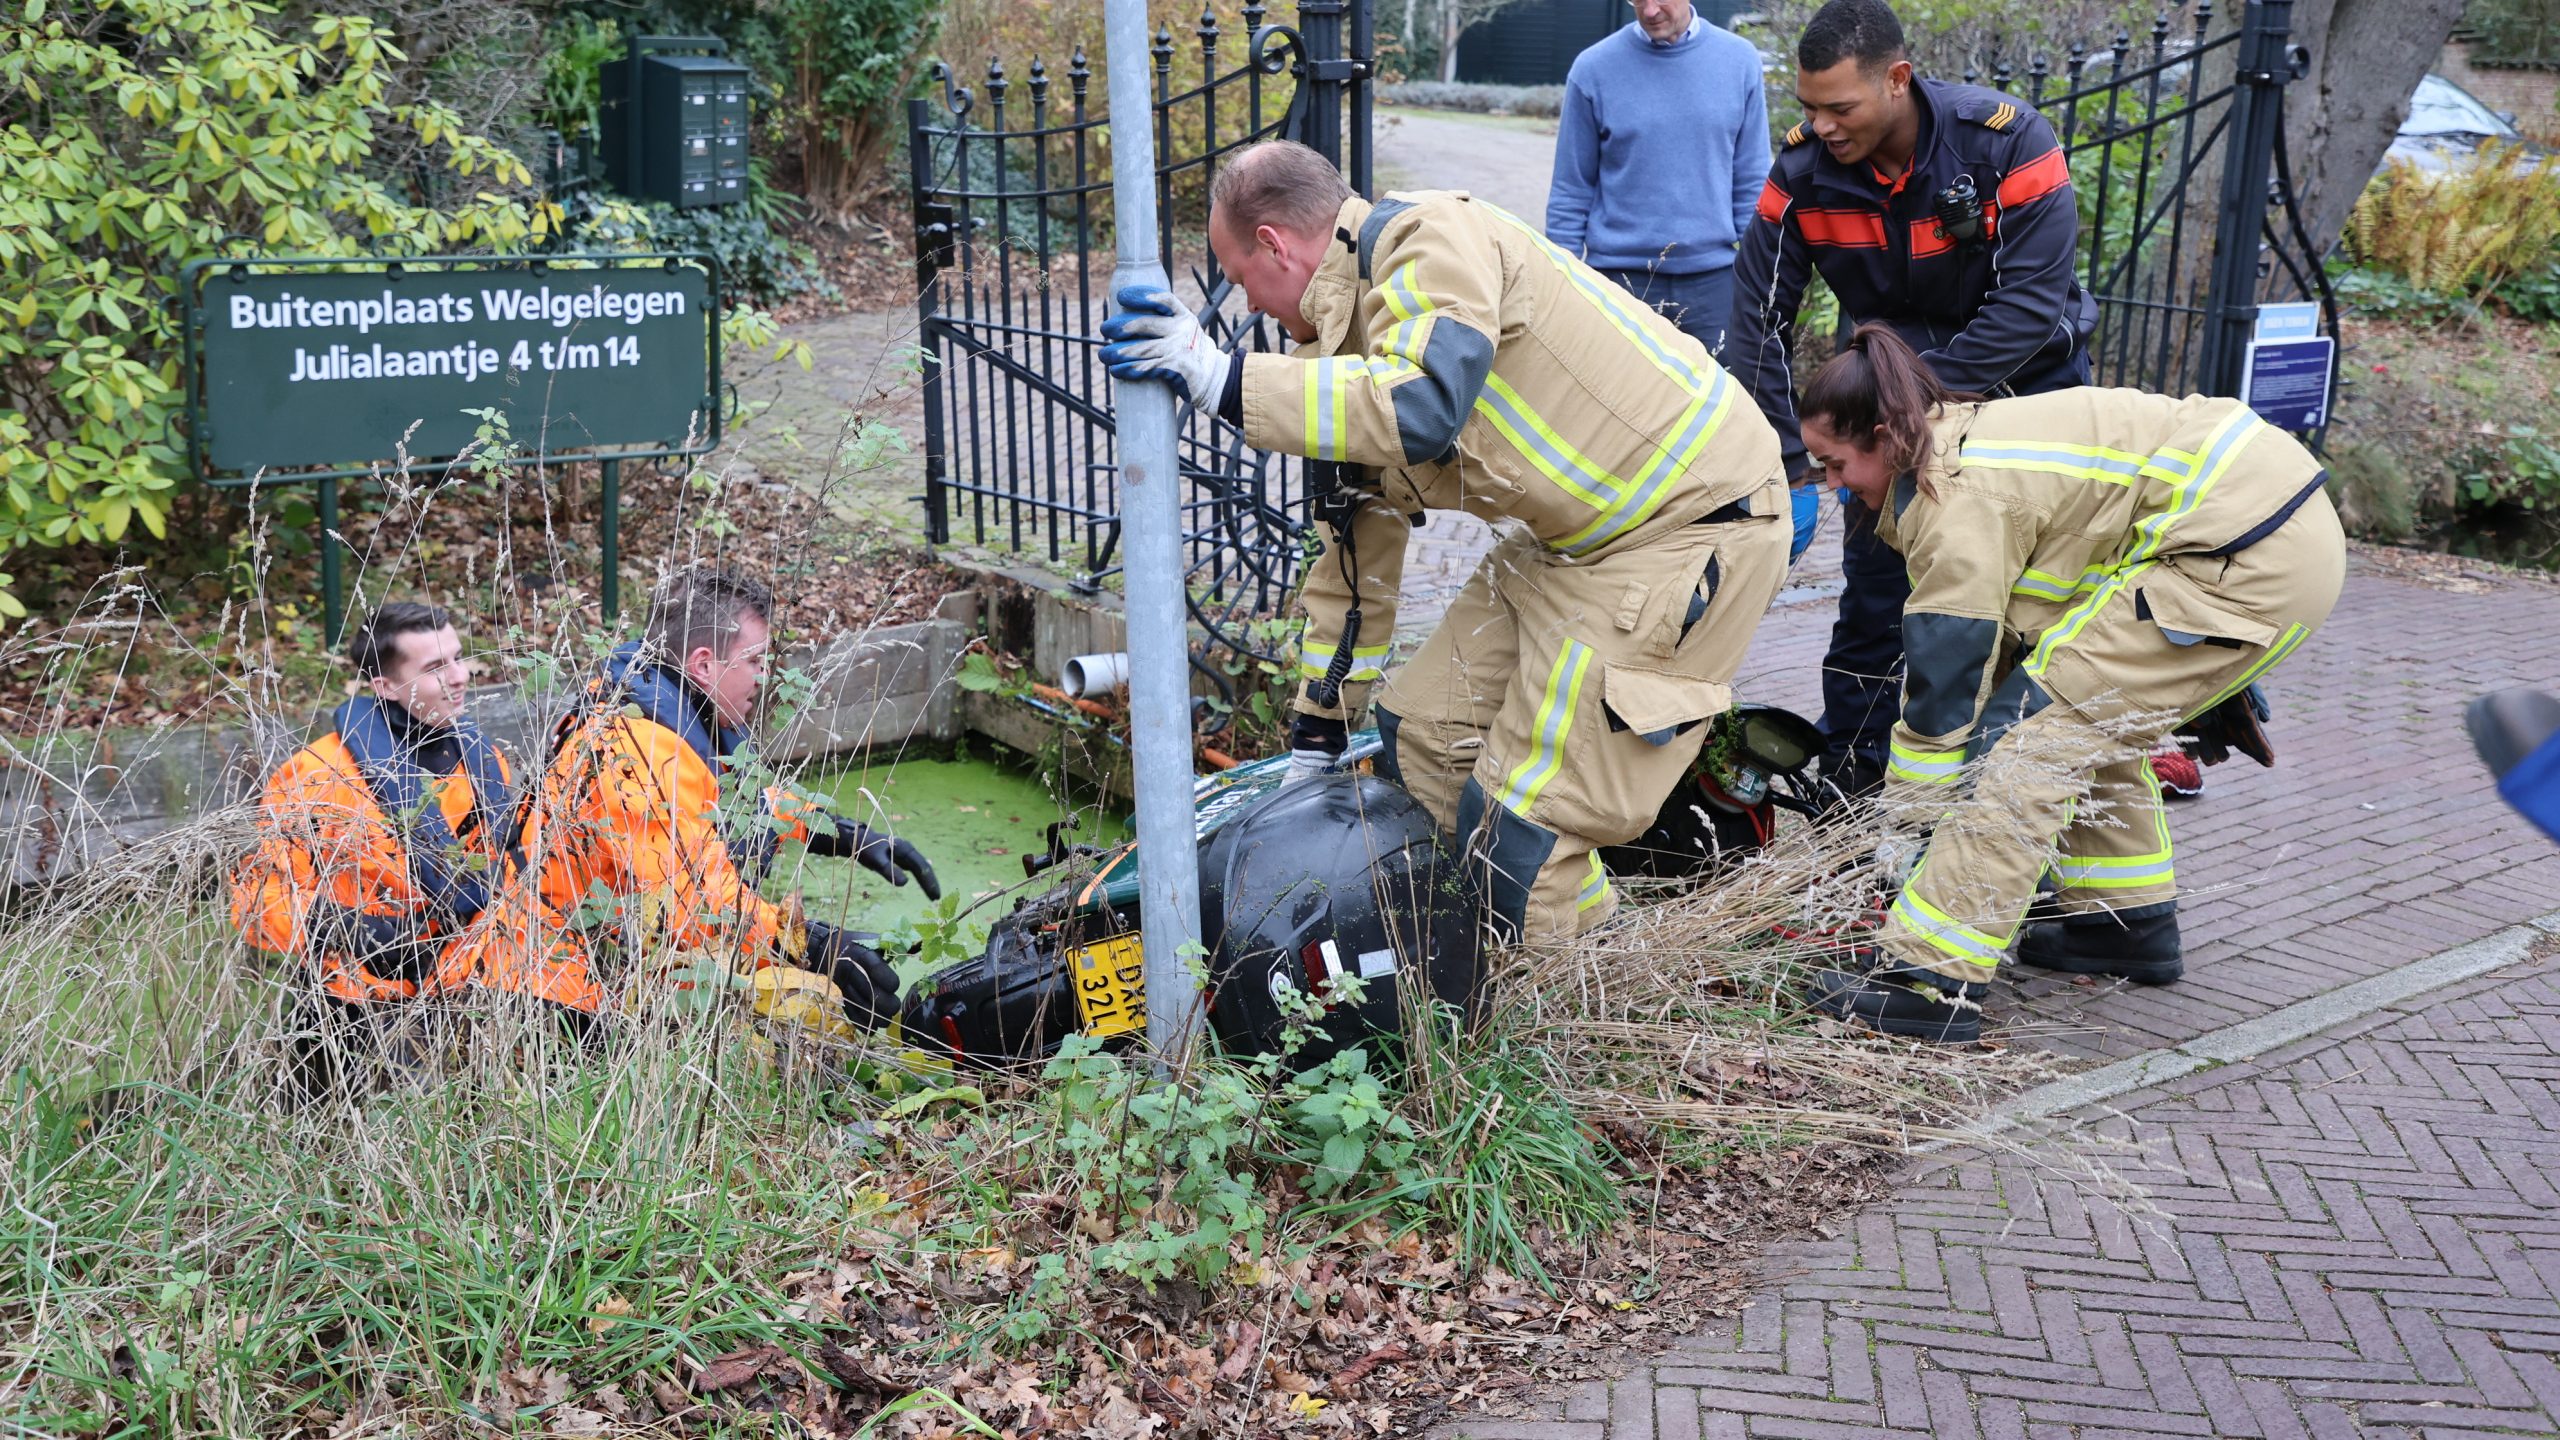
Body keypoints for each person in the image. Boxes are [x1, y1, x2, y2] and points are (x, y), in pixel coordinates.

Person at [1099, 139, 1791, 945]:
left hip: (1685, 524)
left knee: (1527, 824)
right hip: (1572, 539)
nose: (1248, 306)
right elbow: (1354, 559)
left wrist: (1222, 379)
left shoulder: (1431, 237)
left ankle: (1561, 1015)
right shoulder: (1335, 355)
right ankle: (1578, 942)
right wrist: (1319, 733)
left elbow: (1420, 403)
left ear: (1273, 245)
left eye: (1240, 279)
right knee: (1420, 738)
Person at [1794, 325, 2345, 1043]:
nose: (1832, 488)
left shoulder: (1952, 493)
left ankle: (1929, 980)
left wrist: (1912, 823)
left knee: (2024, 747)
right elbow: (2006, 646)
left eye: (1835, 465)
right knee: (2083, 712)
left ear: (1882, 436)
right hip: (2270, 531)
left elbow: (1946, 677)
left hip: (2238, 551)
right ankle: (2121, 923)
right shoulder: (1959, 446)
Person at [1725, 0, 2096, 802]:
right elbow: (1756, 317)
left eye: (1840, 106)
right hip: (1896, 415)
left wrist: (1906, 410)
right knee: (1876, 608)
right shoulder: (1801, 174)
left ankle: (2033, 798)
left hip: (2027, 397)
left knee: (2044, 612)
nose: (1821, 125)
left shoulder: (2008, 143)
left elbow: (2030, 308)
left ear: (1897, 79)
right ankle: (1856, 802)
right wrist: (1790, 460)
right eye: (1808, 107)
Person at [460, 568, 933, 1031]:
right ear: (704, 664)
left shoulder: (672, 712)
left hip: (611, 963)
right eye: (755, 661)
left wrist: (839, 833)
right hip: (554, 995)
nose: (765, 678)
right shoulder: (638, 750)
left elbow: (745, 799)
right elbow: (690, 903)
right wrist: (814, 943)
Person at [1547, 0, 1822, 561]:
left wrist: (1761, 274)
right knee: (1620, 421)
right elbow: (1572, 190)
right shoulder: (1594, 68)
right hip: (1620, 282)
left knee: (1720, 423)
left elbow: (1751, 180)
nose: (1649, 10)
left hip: (1716, 280)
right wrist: (1562, 282)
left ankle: (1712, 546)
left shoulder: (1737, 60)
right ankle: (1625, 550)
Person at [231, 602, 514, 1092]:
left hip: (472, 995)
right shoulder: (318, 775)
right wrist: (354, 933)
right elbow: (259, 901)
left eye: (458, 658)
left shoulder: (484, 761)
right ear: (385, 687)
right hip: (354, 1005)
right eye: (434, 668)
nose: (460, 677)